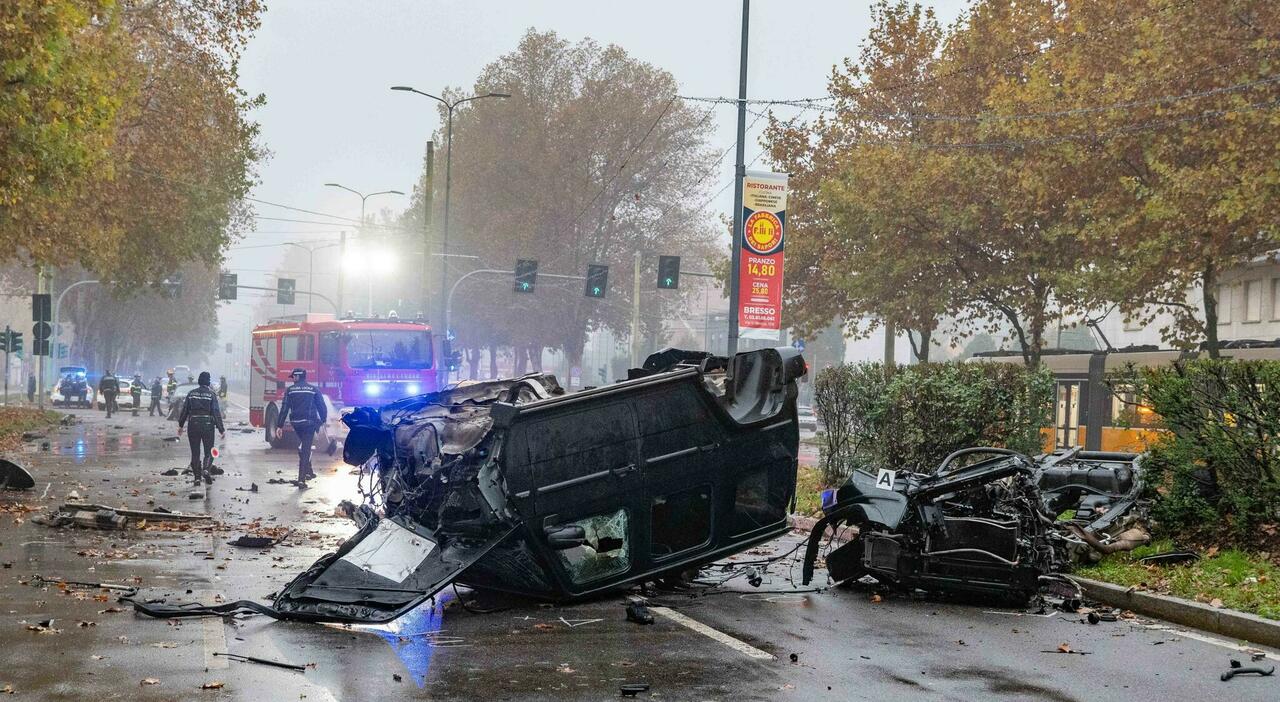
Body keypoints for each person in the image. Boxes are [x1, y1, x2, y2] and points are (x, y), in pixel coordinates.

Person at [276, 368, 327, 486]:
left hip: (296, 424)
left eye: (293, 377)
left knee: (303, 446)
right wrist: (322, 421)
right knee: (305, 449)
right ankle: (301, 479)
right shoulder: (313, 390)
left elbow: (284, 408)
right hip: (310, 424)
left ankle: (309, 472)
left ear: (298, 377)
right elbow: (322, 406)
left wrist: (279, 425)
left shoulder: (290, 390)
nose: (293, 379)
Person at [177, 372, 224, 486]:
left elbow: (185, 411)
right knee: (210, 451)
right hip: (208, 425)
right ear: (208, 381)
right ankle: (206, 469)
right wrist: (221, 429)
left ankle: (197, 478)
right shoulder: (211, 395)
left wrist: (181, 425)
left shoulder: (191, 394)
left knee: (195, 452)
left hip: (193, 424)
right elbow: (216, 412)